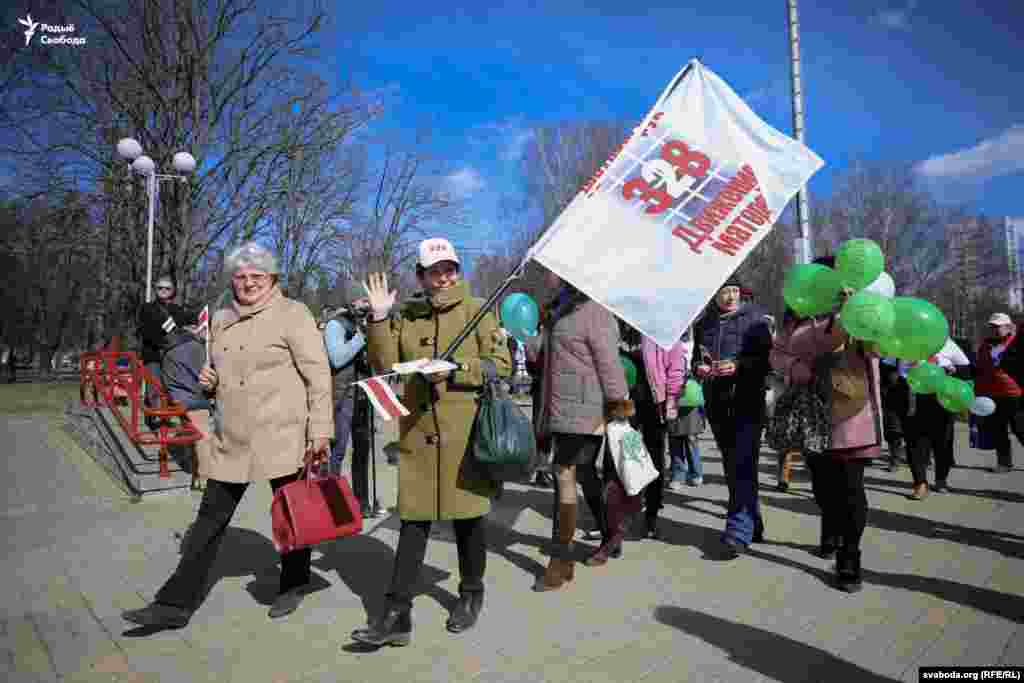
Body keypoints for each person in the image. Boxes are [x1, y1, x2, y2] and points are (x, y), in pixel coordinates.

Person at [122, 242, 334, 630]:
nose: (248, 283)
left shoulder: (293, 314)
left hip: (283, 433)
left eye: (257, 276)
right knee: (209, 520)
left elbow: (318, 375)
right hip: (233, 436)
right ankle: (173, 605)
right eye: (240, 276)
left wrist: (320, 429)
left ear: (272, 279)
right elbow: (219, 373)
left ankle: (294, 582)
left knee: (292, 514)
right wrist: (210, 380)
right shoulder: (220, 318)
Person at [352, 238, 511, 646]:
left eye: (449, 269)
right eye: (434, 270)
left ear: (457, 271)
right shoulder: (407, 314)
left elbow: (501, 366)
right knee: (413, 522)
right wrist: (380, 318)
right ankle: (395, 614)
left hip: (464, 435)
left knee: (468, 521)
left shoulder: (478, 310)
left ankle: (471, 593)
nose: (443, 277)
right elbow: (385, 366)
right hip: (418, 435)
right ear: (420, 276)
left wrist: (455, 369)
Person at [770, 257, 881, 593]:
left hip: (851, 411)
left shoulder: (860, 309)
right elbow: (776, 354)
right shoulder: (795, 318)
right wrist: (792, 366)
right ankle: (831, 529)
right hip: (811, 415)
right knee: (821, 486)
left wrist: (852, 311)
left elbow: (874, 345)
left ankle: (850, 557)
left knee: (850, 488)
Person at [527, 269, 632, 586]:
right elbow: (541, 358)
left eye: (555, 273)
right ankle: (611, 532)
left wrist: (620, 406)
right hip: (559, 410)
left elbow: (610, 365)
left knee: (565, 476)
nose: (548, 277)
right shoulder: (558, 309)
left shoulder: (594, 311)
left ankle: (561, 561)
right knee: (583, 475)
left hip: (585, 411)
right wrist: (530, 337)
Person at [694, 275, 773, 558]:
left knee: (742, 461)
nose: (729, 297)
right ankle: (754, 521)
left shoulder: (755, 319)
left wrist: (738, 366)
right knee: (733, 465)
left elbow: (767, 359)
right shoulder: (704, 323)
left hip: (747, 399)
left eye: (734, 291)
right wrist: (700, 369)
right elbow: (696, 358)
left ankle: (738, 530)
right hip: (717, 401)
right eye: (724, 292)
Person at [902, 339, 971, 499]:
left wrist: (950, 371)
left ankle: (941, 479)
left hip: (942, 398)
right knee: (914, 442)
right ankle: (920, 484)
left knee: (943, 442)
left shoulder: (947, 343)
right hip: (914, 397)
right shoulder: (907, 341)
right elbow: (890, 364)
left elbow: (966, 369)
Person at [323, 300, 373, 515]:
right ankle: (331, 504)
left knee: (362, 450)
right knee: (338, 450)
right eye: (362, 299)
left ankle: (361, 502)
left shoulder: (369, 322)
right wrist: (361, 339)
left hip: (364, 394)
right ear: (351, 300)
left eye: (367, 300)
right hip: (342, 394)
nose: (366, 304)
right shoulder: (336, 324)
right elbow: (337, 358)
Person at [635, 331, 686, 538]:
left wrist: (672, 400)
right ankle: (615, 514)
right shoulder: (618, 325)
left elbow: (676, 368)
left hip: (653, 401)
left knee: (654, 457)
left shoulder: (663, 330)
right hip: (622, 397)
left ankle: (652, 514)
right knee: (618, 455)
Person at [161, 308, 211, 485]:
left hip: (174, 397)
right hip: (191, 399)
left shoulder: (168, 347)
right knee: (205, 436)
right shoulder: (194, 347)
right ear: (191, 327)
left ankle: (195, 466)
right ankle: (203, 478)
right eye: (198, 326)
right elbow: (206, 377)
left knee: (193, 432)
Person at [975, 312, 1022, 473]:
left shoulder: (1016, 342)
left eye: (998, 326)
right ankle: (1004, 463)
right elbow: (980, 370)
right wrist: (978, 393)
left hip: (1015, 393)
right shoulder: (985, 345)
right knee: (998, 429)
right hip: (993, 394)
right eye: (992, 326)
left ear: (1008, 327)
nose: (995, 329)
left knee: (1020, 428)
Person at [137, 275, 187, 428]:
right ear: (155, 289)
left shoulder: (177, 310)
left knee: (172, 386)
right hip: (153, 354)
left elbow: (186, 325)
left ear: (172, 291)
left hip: (172, 355)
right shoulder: (146, 308)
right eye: (160, 288)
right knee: (155, 386)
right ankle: (156, 418)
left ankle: (170, 415)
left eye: (167, 288)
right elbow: (146, 331)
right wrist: (162, 342)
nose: (164, 291)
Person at [667, 328, 703, 491]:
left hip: (691, 392)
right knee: (674, 437)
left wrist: (698, 369)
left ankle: (695, 473)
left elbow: (704, 362)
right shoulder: (666, 339)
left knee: (691, 437)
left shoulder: (697, 339)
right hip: (671, 391)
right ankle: (678, 474)